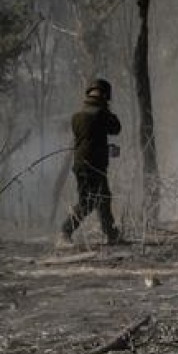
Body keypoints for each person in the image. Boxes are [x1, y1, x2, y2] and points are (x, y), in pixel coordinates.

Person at [59, 78, 122, 246]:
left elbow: (90, 139)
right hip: (92, 165)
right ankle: (65, 232)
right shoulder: (100, 114)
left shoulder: (77, 116)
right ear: (105, 95)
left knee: (103, 198)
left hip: (84, 164)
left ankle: (111, 234)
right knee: (89, 201)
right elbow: (116, 128)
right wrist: (108, 111)